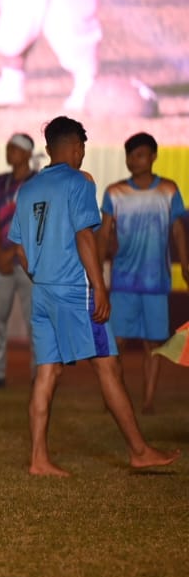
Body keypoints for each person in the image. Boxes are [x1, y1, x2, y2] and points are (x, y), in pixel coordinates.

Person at [7, 116, 179, 476]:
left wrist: (40, 275)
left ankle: (39, 459)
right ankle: (138, 450)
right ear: (76, 148)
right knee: (108, 366)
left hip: (42, 293)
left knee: (47, 374)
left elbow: (20, 250)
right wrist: (99, 285)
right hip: (75, 291)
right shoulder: (79, 183)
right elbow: (86, 237)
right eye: (82, 148)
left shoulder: (28, 189)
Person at [97, 133, 189, 414]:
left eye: (138, 154)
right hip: (123, 281)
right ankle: (114, 398)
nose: (132, 160)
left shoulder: (169, 190)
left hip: (155, 282)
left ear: (152, 157)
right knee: (118, 342)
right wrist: (97, 267)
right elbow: (104, 233)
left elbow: (177, 230)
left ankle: (148, 401)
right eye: (129, 155)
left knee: (153, 344)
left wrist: (185, 264)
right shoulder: (114, 192)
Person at [0, 133, 37, 389]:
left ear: (28, 153)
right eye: (8, 148)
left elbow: (39, 224)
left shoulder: (39, 183)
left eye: (15, 148)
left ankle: (40, 374)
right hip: (0, 263)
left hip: (31, 265)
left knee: (35, 321)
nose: (9, 152)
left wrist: (17, 250)